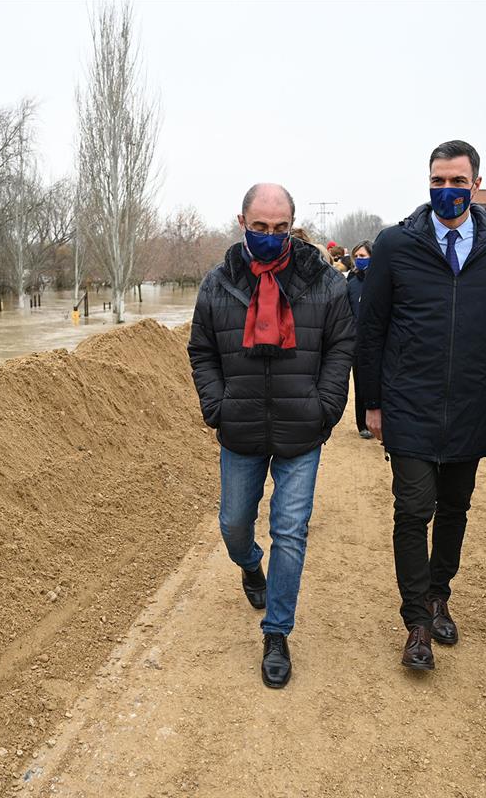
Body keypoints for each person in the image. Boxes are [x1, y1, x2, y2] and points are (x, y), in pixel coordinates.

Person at [358, 140, 486, 672]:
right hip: (409, 402)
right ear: (427, 181)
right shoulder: (395, 244)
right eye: (439, 180)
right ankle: (416, 625)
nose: (447, 190)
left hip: (471, 403)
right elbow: (373, 329)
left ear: (476, 185)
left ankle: (438, 596)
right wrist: (372, 403)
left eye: (458, 181)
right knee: (413, 509)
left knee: (455, 508)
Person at [187, 183, 356, 688]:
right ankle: (248, 564)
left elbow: (342, 346)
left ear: (292, 226)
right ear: (242, 223)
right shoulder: (218, 285)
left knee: (290, 531)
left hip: (301, 431)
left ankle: (277, 633)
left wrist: (325, 409)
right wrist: (217, 406)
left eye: (280, 229)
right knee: (234, 525)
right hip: (239, 428)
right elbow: (201, 351)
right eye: (260, 228)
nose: (270, 236)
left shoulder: (324, 283)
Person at [347, 239, 375, 439]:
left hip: (376, 339)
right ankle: (362, 424)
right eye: (356, 256)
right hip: (356, 341)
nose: (359, 260)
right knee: (360, 382)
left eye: (363, 256)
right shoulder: (351, 281)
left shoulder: (379, 280)